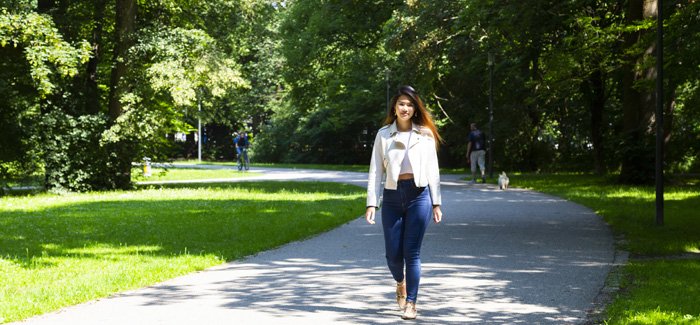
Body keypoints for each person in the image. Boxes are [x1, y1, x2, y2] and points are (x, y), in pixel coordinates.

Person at [365, 85, 443, 320]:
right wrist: (371, 203)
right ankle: (400, 282)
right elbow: (375, 171)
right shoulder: (383, 135)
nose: (405, 108)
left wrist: (436, 202)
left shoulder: (425, 134)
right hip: (391, 196)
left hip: (419, 195)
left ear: (415, 108)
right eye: (401, 104)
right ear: (394, 107)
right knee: (393, 255)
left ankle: (411, 303)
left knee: (412, 253)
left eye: (409, 104)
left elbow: (433, 170)